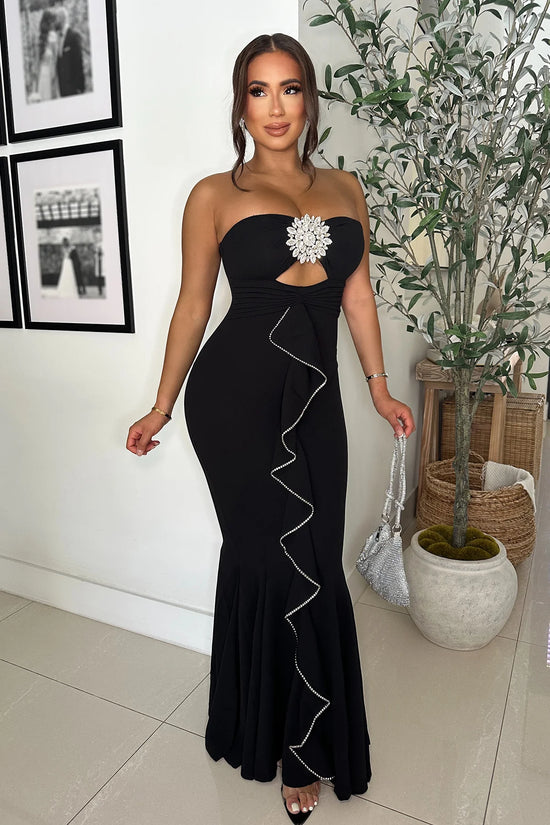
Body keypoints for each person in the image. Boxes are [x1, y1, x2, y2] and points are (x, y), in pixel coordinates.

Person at [126, 33, 415, 822]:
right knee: (268, 560)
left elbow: (358, 296)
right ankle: (289, 746)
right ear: (241, 104)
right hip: (233, 401)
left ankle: (298, 728)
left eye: (291, 89)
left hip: (316, 402)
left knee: (314, 557)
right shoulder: (213, 195)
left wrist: (381, 388)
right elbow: (194, 306)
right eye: (259, 91)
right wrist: (161, 404)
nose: (276, 107)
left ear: (310, 100)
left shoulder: (348, 187)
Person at [55, 7, 85, 97]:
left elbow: (79, 62)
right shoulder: (57, 37)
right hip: (62, 89)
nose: (54, 22)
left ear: (61, 19)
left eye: (56, 19)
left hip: (73, 88)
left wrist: (79, 88)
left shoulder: (73, 36)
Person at [34, 10, 60, 102]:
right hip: (47, 72)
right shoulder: (50, 36)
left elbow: (37, 62)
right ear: (50, 22)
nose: (53, 23)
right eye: (52, 21)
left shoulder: (41, 37)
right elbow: (56, 58)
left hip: (45, 72)